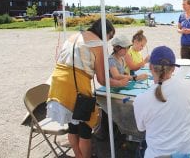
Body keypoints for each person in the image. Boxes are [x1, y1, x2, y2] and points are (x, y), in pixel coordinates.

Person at [46, 19, 128, 158]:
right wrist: (120, 83)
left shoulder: (74, 36)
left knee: (73, 127)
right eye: (110, 36)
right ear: (105, 32)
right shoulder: (98, 44)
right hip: (76, 88)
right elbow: (102, 79)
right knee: (85, 130)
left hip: (57, 85)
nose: (109, 40)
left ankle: (78, 155)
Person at [133, 46, 190, 158]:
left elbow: (141, 128)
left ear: (150, 67)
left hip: (159, 155)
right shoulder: (187, 86)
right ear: (173, 68)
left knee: (141, 148)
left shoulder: (140, 100)